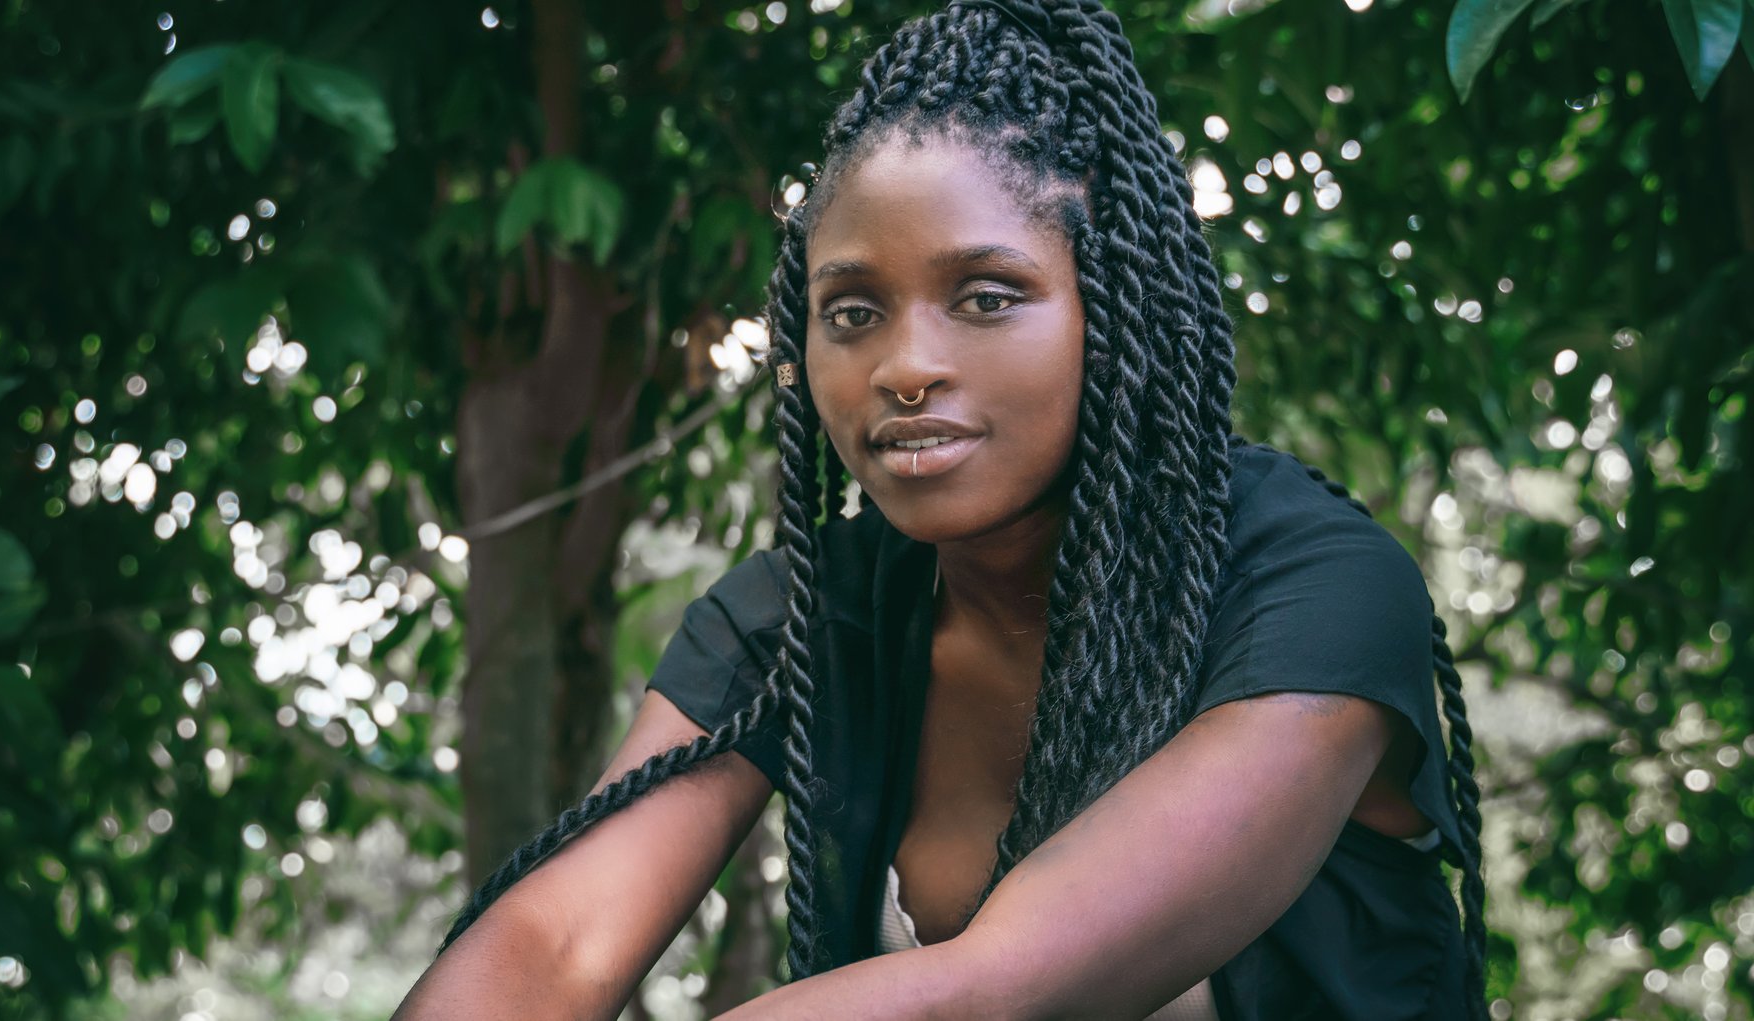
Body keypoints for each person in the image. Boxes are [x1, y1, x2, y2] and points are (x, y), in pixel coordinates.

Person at [394, 1, 1486, 1017]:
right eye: (853, 310)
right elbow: (552, 948)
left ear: (1117, 309)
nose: (904, 367)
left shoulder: (1314, 591)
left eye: (987, 297)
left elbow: (986, 990)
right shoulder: (800, 620)